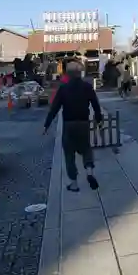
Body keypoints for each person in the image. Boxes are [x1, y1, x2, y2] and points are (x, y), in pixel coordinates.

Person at [43, 61, 103, 192]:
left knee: (69, 154)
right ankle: (89, 172)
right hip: (83, 123)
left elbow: (54, 108)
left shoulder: (63, 88)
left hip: (69, 124)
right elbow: (96, 105)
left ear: (67, 74)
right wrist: (99, 120)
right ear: (79, 73)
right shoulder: (87, 87)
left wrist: (46, 125)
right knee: (86, 149)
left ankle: (74, 183)